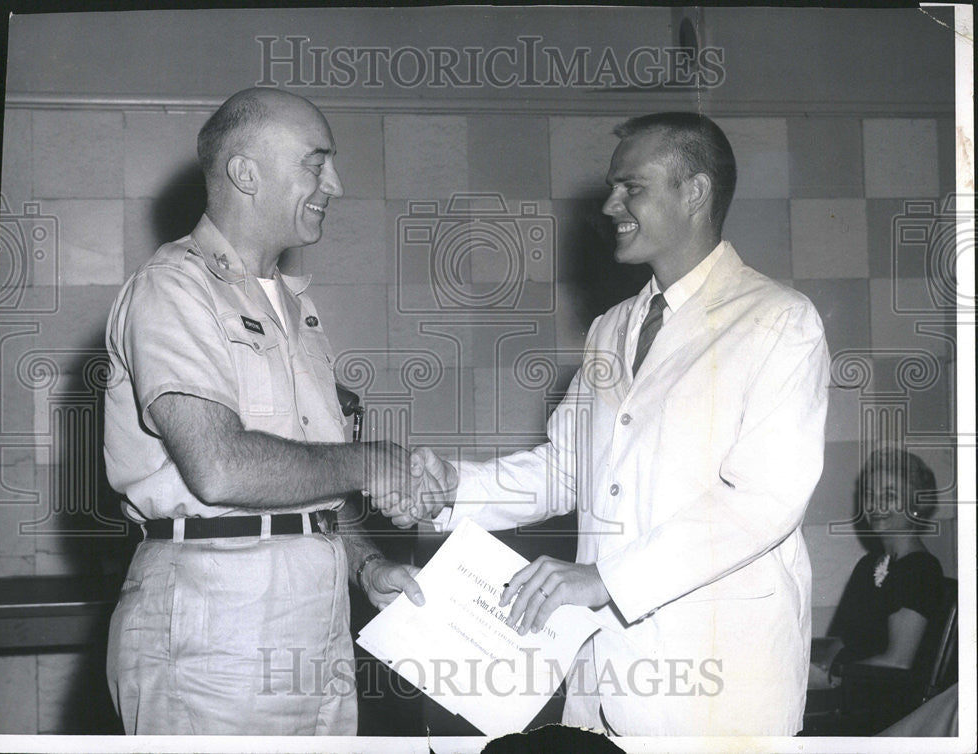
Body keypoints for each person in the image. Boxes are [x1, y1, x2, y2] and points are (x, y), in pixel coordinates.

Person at [392, 112, 831, 735]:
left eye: (632, 187)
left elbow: (763, 499)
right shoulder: (611, 328)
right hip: (603, 678)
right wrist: (454, 490)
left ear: (695, 192)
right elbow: (566, 468)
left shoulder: (779, 320)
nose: (608, 204)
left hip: (722, 687)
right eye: (611, 186)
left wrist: (603, 579)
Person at [103, 87, 422, 736]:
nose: (335, 181)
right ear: (245, 172)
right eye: (315, 162)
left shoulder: (294, 306)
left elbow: (304, 487)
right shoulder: (175, 288)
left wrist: (366, 566)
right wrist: (370, 462)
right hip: (215, 629)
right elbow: (218, 468)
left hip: (318, 627)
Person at [809, 448, 945, 688]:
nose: (875, 505)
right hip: (847, 690)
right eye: (870, 495)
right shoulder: (867, 565)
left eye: (889, 495)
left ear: (916, 505)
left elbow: (898, 662)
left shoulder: (921, 570)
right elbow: (841, 641)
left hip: (879, 701)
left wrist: (835, 677)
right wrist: (821, 674)